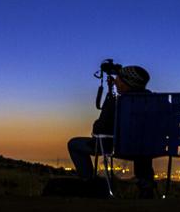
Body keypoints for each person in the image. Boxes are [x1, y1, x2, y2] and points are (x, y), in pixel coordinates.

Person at [68, 64, 159, 197]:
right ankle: (146, 186)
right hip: (151, 148)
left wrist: (108, 103)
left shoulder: (118, 103)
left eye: (119, 79)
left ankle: (88, 184)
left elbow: (99, 131)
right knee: (142, 142)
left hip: (119, 146)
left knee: (74, 144)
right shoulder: (156, 102)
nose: (116, 82)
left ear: (126, 83)